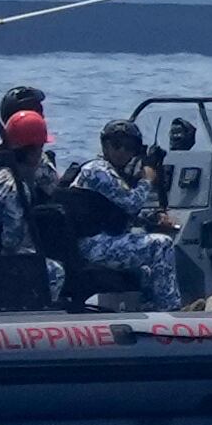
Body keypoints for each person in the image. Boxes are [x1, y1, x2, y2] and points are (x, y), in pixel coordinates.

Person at [62, 118, 184, 310]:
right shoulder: (97, 170)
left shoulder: (114, 174)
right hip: (92, 245)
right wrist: (148, 178)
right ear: (105, 145)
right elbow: (131, 202)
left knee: (146, 269)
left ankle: (147, 307)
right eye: (116, 145)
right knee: (161, 245)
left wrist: (152, 218)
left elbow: (114, 211)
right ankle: (170, 309)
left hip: (102, 241)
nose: (122, 151)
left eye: (128, 147)